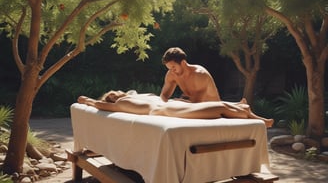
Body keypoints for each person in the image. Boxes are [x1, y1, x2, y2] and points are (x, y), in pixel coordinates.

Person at [77, 90, 274, 128]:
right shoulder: (118, 105)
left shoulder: (133, 97)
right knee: (220, 107)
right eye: (114, 94)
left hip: (171, 106)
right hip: (167, 112)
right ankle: (256, 118)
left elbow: (132, 90)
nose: (117, 93)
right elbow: (98, 104)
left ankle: (248, 112)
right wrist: (86, 100)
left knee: (218, 105)